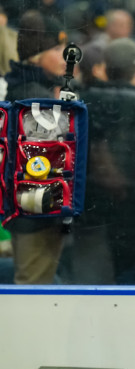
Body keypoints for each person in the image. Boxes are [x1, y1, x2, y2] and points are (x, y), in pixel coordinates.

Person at [61, 37, 135, 284]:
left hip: (88, 205)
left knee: (89, 279)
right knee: (133, 277)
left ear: (104, 67)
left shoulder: (82, 104)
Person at [3, 9, 68, 284]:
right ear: (37, 54)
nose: (65, 54)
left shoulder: (25, 87)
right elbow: (48, 160)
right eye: (57, 47)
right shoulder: (35, 97)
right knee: (32, 287)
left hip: (29, 211)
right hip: (37, 212)